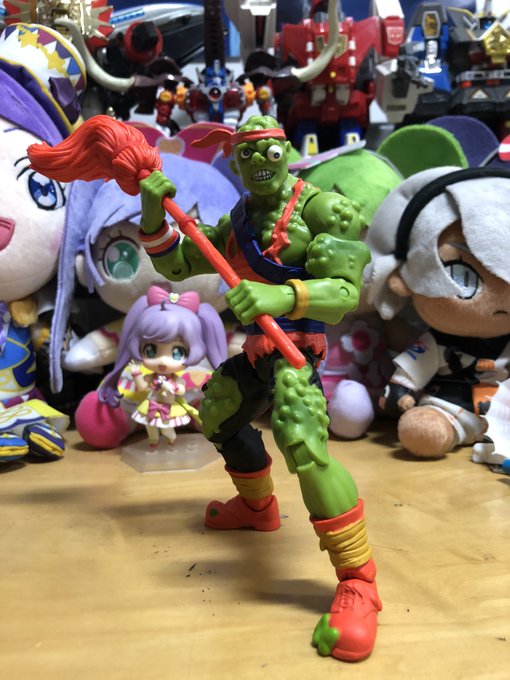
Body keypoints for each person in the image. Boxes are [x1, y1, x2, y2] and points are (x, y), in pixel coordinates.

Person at [137, 114, 381, 662]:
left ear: (287, 152)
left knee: (304, 447)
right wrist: (152, 212)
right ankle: (257, 508)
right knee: (218, 412)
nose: (259, 164)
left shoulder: (322, 209)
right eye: (246, 154)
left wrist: (283, 297)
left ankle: (358, 580)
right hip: (258, 351)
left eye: (269, 152)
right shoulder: (238, 220)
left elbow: (345, 292)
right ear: (235, 161)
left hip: (298, 355)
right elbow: (178, 264)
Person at [98, 286, 227, 448]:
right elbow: (142, 387)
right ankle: (153, 441)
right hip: (151, 406)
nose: (163, 361)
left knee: (167, 428)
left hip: (169, 407)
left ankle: (171, 439)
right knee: (150, 426)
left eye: (177, 352)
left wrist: (170, 387)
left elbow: (181, 390)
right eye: (151, 350)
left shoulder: (175, 378)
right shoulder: (151, 376)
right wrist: (136, 374)